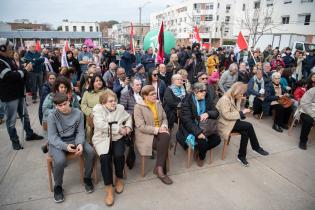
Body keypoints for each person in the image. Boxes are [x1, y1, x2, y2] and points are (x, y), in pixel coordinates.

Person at [47, 93, 96, 203]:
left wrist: (79, 143)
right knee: (60, 160)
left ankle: (87, 178)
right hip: (59, 142)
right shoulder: (52, 116)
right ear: (56, 106)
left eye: (64, 104)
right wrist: (65, 146)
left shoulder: (78, 113)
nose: (63, 107)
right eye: (59, 106)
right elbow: (52, 137)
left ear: (69, 101)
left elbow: (80, 131)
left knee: (91, 152)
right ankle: (58, 186)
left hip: (74, 139)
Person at [0, 38, 43, 150]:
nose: (12, 50)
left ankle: (29, 134)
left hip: (19, 93)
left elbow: (17, 72)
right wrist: (25, 70)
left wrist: (23, 69)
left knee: (25, 116)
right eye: (9, 48)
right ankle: (15, 141)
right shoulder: (0, 61)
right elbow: (10, 76)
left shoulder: (9, 59)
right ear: (2, 48)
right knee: (11, 120)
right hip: (9, 96)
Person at [92, 90, 132, 206]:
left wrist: (128, 128)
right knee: (105, 158)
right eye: (110, 101)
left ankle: (119, 179)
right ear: (103, 102)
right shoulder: (97, 109)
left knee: (119, 155)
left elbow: (129, 117)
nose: (113, 103)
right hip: (102, 138)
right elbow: (101, 125)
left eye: (114, 100)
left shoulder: (119, 108)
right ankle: (109, 188)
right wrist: (119, 129)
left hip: (117, 138)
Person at [216, 82, 269, 166]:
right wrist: (242, 113)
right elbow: (226, 115)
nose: (242, 95)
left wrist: (242, 113)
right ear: (236, 91)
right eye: (241, 93)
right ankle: (256, 148)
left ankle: (241, 156)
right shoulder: (225, 99)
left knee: (246, 132)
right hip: (225, 123)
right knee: (249, 126)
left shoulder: (236, 97)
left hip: (232, 121)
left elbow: (236, 112)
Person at [133, 85, 173, 185]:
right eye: (152, 94)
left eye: (155, 93)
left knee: (165, 137)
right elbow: (141, 126)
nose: (155, 96)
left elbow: (164, 118)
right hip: (145, 134)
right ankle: (161, 171)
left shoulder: (158, 103)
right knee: (164, 142)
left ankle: (158, 169)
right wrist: (157, 129)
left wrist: (163, 126)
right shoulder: (138, 107)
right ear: (145, 96)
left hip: (159, 130)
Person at [177, 82, 221, 166]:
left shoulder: (207, 98)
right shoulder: (187, 101)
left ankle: (200, 150)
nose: (204, 92)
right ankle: (201, 157)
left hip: (206, 126)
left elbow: (216, 113)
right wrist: (198, 133)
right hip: (192, 127)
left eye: (205, 90)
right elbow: (187, 121)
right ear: (195, 92)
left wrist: (208, 113)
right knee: (202, 142)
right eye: (202, 91)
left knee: (217, 140)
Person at [81, 75, 106, 143]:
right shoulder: (87, 93)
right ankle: (90, 144)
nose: (99, 82)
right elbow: (83, 105)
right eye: (97, 81)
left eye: (100, 80)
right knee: (90, 129)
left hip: (104, 115)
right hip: (91, 115)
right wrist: (91, 113)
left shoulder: (107, 91)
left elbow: (113, 101)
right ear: (92, 83)